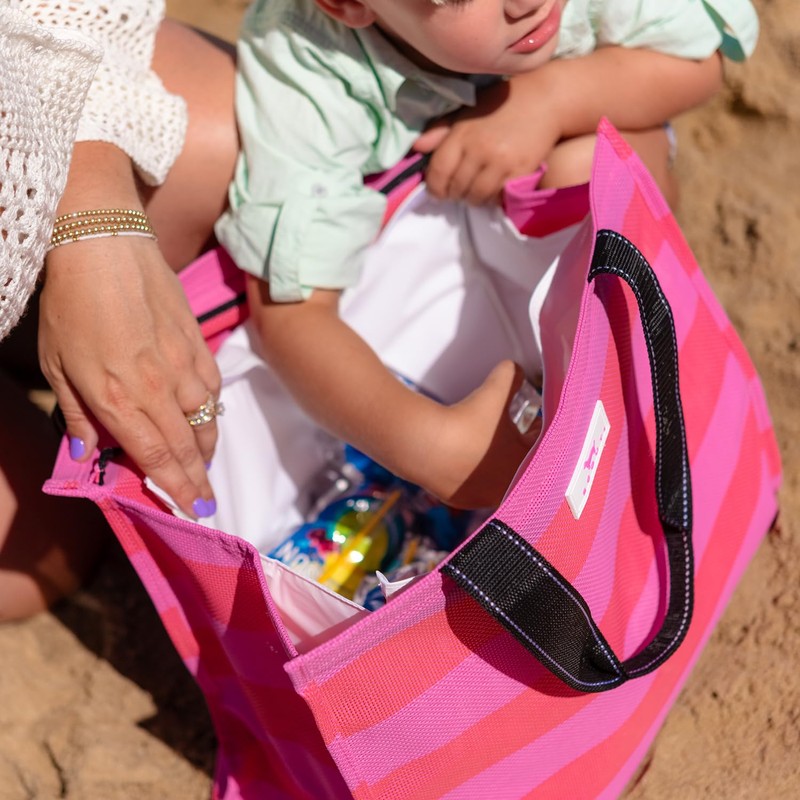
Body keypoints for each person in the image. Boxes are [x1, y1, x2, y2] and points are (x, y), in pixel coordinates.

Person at [212, 0, 758, 508]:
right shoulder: (309, 60)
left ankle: (639, 353)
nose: (526, 3)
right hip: (443, 246)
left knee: (593, 169)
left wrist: (550, 99)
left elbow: (699, 57)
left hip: (570, 154)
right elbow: (292, 309)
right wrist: (430, 446)